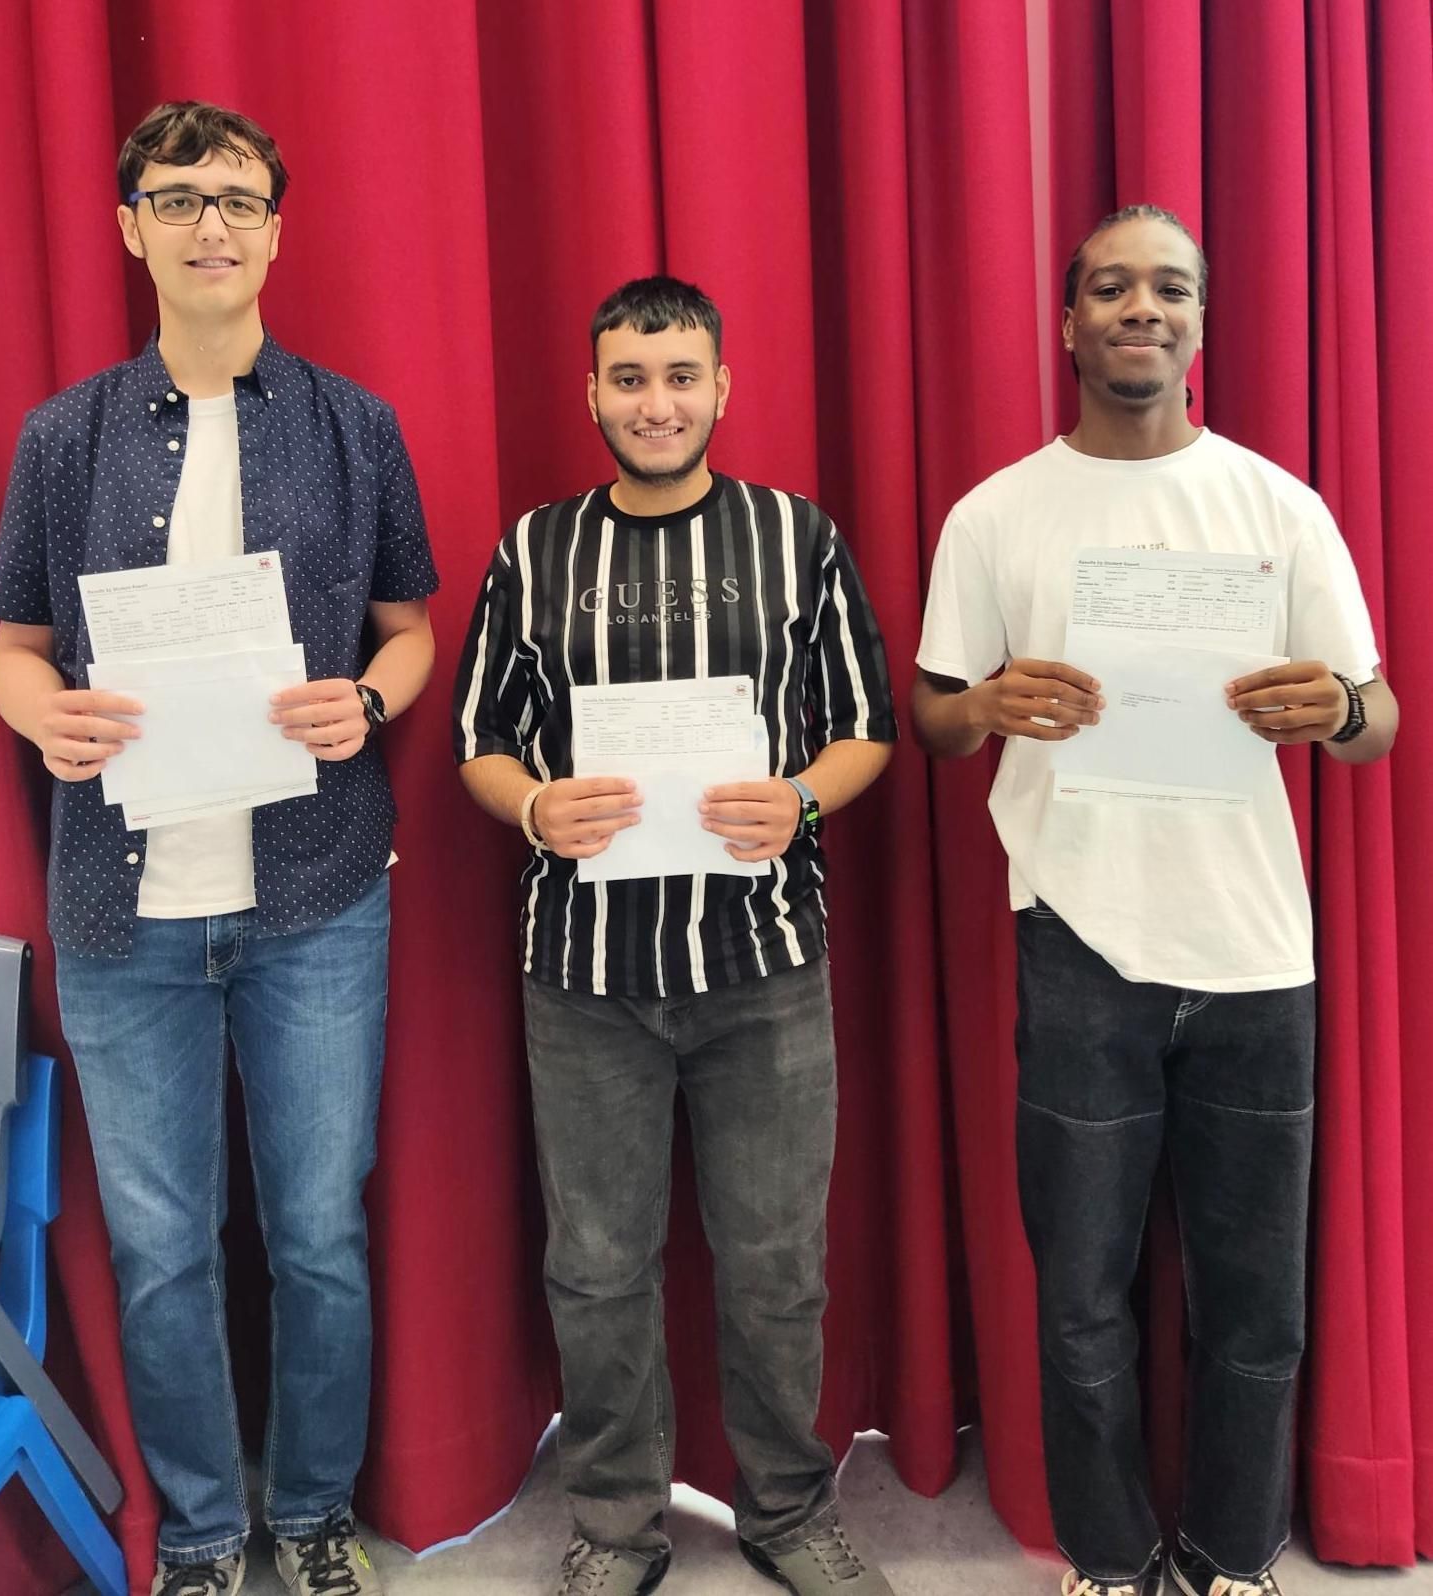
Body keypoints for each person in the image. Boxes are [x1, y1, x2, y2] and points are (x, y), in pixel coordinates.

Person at [0, 101, 439, 1596]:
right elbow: (14, 650)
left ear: (276, 230)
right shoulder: (65, 438)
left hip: (316, 896)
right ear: (132, 229)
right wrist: (45, 715)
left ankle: (309, 1516)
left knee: (318, 1236)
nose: (210, 225)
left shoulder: (356, 425)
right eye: (178, 199)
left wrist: (369, 701)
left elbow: (411, 629)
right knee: (163, 1250)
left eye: (237, 199)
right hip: (125, 910)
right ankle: (197, 1534)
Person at [912, 204, 1397, 1596]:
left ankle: (1234, 1553)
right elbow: (934, 716)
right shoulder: (996, 513)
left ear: (1199, 321)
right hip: (1076, 935)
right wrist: (988, 705)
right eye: (1114, 288)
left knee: (1257, 1303)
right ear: (1068, 323)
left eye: (1170, 288)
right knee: (1080, 1299)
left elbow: (1378, 719)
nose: (1143, 307)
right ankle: (1110, 1557)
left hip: (1254, 948)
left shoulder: (1278, 507)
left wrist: (1337, 706)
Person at [453, 276, 897, 1596]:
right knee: (596, 1270)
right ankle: (615, 1525)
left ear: (722, 388)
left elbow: (866, 726)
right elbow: (479, 740)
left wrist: (801, 797)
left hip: (763, 965)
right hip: (584, 975)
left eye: (682, 375)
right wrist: (533, 805)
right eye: (631, 378)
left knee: (777, 1267)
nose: (658, 403)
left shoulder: (796, 537)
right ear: (592, 393)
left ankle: (788, 1511)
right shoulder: (534, 551)